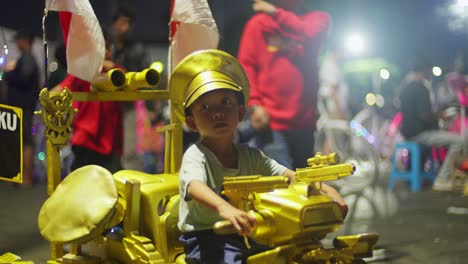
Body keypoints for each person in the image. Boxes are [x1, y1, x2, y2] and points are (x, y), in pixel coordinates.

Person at [174, 49, 347, 263]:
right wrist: (225, 208)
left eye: (225, 103)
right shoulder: (196, 155)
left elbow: (289, 177)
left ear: (240, 112)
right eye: (205, 107)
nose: (217, 112)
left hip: (249, 230)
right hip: (208, 236)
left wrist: (325, 190)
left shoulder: (252, 156)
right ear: (191, 122)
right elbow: (194, 185)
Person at [238, 0, 331, 169]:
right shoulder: (257, 24)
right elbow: (246, 67)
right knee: (281, 187)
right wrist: (254, 104)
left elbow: (308, 32)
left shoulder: (318, 19)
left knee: (305, 184)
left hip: (305, 122)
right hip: (271, 124)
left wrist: (275, 13)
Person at [52, 31, 123, 173]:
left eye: (108, 47)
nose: (106, 51)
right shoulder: (83, 70)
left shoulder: (116, 71)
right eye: (102, 46)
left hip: (109, 139)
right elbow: (58, 90)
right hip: (85, 138)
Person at [398, 57, 467, 191]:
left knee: (445, 139)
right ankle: (443, 178)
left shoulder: (405, 88)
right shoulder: (421, 88)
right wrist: (441, 115)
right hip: (420, 134)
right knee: (461, 141)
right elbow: (424, 115)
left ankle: (441, 176)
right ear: (424, 70)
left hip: (408, 133)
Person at [109, 6, 150, 171]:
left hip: (127, 104)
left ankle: (130, 184)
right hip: (106, 105)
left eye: (127, 24)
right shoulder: (105, 45)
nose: (124, 28)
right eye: (121, 23)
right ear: (113, 24)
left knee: (129, 148)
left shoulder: (136, 48)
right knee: (108, 147)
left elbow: (145, 73)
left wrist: (149, 104)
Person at [3, 29, 40, 186]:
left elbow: (23, 79)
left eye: (19, 40)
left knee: (25, 141)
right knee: (20, 141)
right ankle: (21, 176)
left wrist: (9, 73)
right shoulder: (25, 59)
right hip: (21, 108)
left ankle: (26, 177)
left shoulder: (27, 59)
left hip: (23, 108)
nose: (18, 43)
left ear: (25, 41)